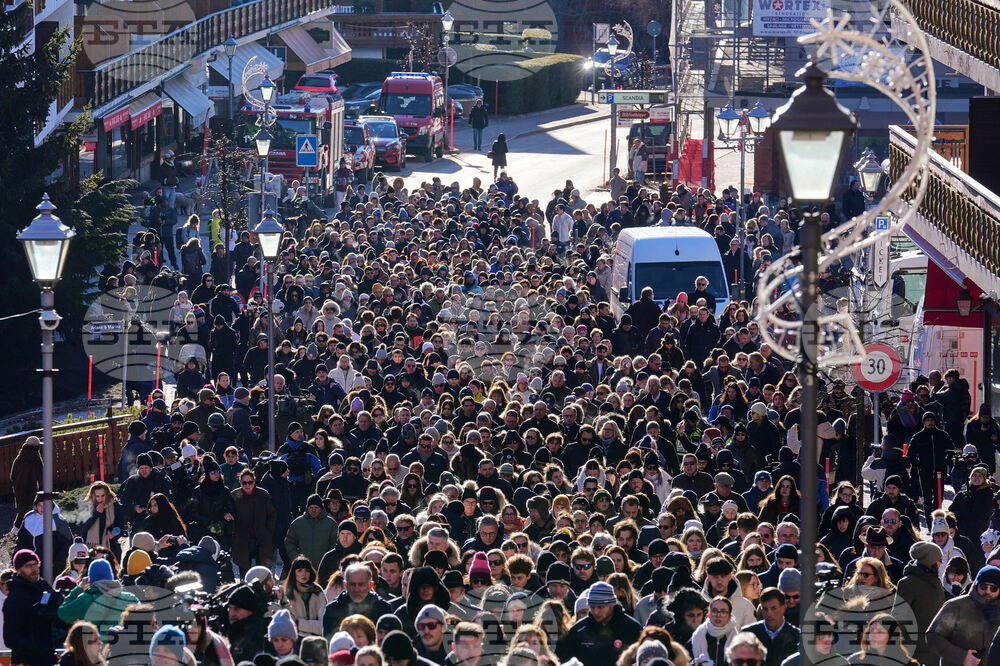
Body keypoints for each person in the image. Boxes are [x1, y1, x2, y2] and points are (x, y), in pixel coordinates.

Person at [556, 581, 641, 664]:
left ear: (612, 604)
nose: (596, 612)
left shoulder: (632, 629)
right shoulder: (578, 630)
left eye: (600, 607)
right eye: (592, 607)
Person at [3, 549, 63, 666]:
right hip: (25, 661)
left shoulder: (44, 588)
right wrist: (37, 650)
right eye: (28, 566)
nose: (34, 569)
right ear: (18, 569)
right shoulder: (14, 598)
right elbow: (10, 638)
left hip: (48, 658)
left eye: (36, 564)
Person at [744, 588, 799, 666]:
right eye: (765, 609)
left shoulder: (797, 637)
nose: (769, 614)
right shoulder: (747, 635)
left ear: (784, 608)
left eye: (773, 608)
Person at [10, 437, 42, 528]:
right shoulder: (36, 457)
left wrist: (16, 483)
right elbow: (41, 474)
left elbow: (12, 475)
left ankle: (19, 527)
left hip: (18, 486)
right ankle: (18, 527)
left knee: (22, 506)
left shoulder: (20, 457)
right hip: (31, 487)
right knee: (29, 506)